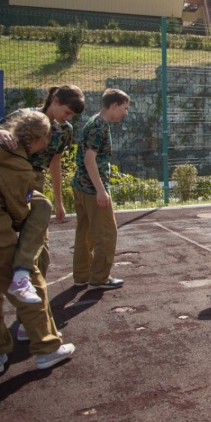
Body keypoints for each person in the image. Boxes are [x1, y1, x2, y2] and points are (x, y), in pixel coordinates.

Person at [0, 110, 75, 373]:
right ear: (40, 140)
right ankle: (47, 348)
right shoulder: (17, 166)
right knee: (31, 287)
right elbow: (20, 214)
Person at [0, 85, 86, 339]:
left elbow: (55, 164)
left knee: (40, 252)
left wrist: (59, 201)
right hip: (6, 183)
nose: (67, 118)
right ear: (55, 100)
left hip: (34, 184)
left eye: (71, 115)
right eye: (66, 111)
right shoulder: (25, 117)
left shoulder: (64, 130)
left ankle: (29, 320)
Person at [71, 88, 130, 290]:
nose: (125, 113)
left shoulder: (93, 121)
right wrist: (100, 190)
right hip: (92, 189)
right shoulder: (99, 126)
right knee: (106, 234)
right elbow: (90, 160)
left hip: (81, 186)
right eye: (124, 108)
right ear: (113, 105)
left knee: (85, 234)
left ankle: (82, 275)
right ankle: (100, 278)